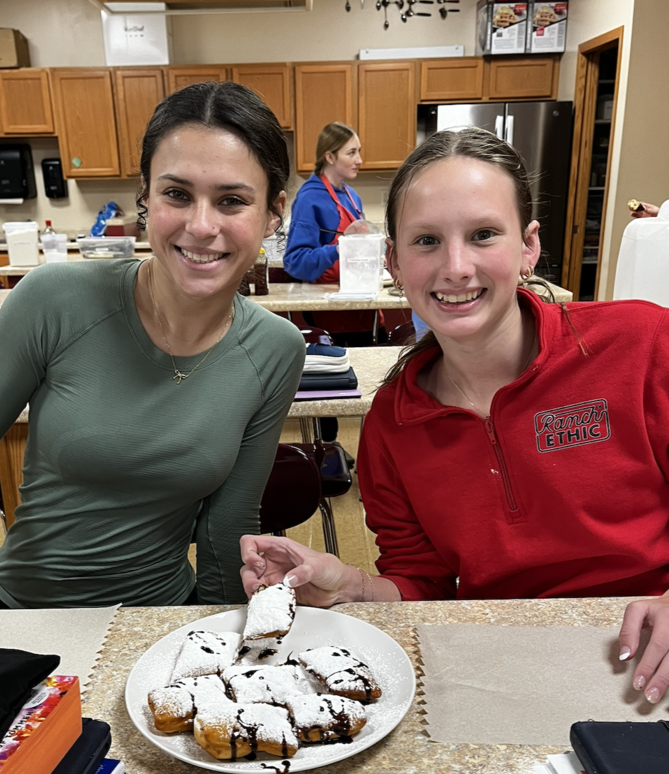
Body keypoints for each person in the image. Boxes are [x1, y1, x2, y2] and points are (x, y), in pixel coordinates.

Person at [241, 126, 669, 705]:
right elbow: (423, 584)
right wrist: (351, 585)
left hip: (652, 661)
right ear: (392, 259)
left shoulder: (642, 344)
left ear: (528, 246)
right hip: (503, 673)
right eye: (426, 241)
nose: (457, 266)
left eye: (484, 234)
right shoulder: (393, 423)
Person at [0, 82, 305, 609]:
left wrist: (225, 642)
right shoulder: (54, 300)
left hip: (158, 622)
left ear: (273, 213)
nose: (201, 226)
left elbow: (230, 522)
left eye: (232, 200)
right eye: (177, 194)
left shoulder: (275, 349)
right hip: (24, 617)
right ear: (146, 196)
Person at [283, 122, 380, 347]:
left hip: (361, 301)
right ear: (330, 157)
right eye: (351, 153)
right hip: (329, 311)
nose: (359, 160)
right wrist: (339, 249)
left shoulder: (352, 196)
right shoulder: (309, 199)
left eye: (359, 152)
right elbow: (296, 262)